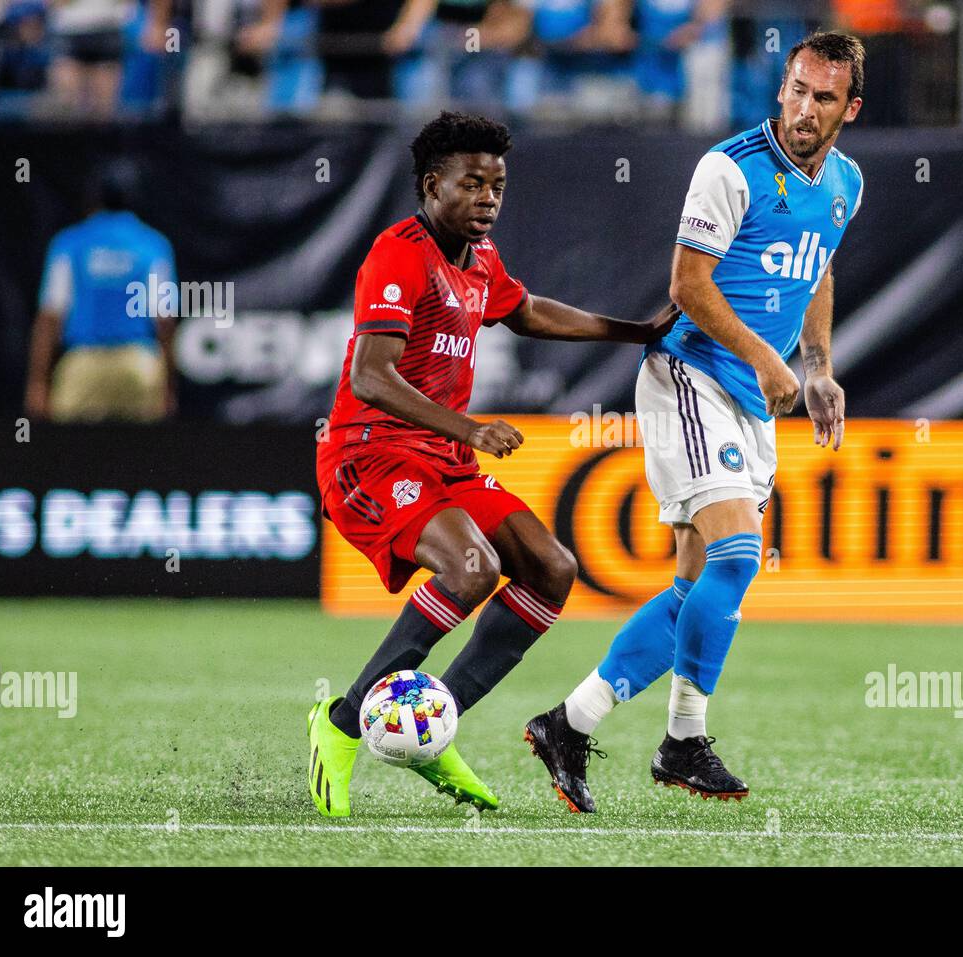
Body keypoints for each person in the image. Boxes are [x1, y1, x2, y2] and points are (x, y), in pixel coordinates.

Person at [524, 31, 859, 812]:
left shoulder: (845, 182)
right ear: (782, 86)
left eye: (825, 98)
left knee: (695, 587)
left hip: (752, 396)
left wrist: (817, 366)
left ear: (851, 108)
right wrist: (767, 360)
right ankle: (681, 740)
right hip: (691, 375)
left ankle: (571, 723)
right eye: (797, 90)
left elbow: (818, 266)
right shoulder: (730, 167)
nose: (806, 109)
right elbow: (689, 283)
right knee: (739, 557)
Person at [306, 111, 674, 818]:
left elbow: (527, 309)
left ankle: (431, 724)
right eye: (471, 183)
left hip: (441, 459)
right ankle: (344, 722)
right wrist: (470, 429)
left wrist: (637, 332)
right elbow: (370, 377)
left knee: (552, 567)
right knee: (471, 567)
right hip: (369, 454)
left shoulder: (480, 260)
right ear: (430, 183)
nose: (488, 198)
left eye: (497, 185)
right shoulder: (397, 252)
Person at [24, 163, 178, 424]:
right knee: (144, 458)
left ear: (93, 199)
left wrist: (38, 383)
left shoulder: (70, 243)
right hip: (137, 366)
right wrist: (168, 387)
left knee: (70, 458)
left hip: (83, 366)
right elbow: (164, 319)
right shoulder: (152, 245)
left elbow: (50, 316)